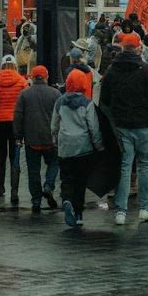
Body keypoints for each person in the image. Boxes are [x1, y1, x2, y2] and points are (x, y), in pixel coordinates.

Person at [97, 30, 148, 226]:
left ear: (122, 48)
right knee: (145, 165)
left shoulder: (111, 71)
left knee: (125, 166)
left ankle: (120, 211)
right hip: (144, 123)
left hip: (121, 125)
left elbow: (105, 100)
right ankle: (145, 208)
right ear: (138, 48)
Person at [52, 69, 103, 227]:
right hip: (83, 148)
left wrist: (55, 140)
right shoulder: (87, 103)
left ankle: (66, 200)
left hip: (65, 147)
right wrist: (99, 146)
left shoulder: (60, 102)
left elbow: (54, 125)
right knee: (80, 182)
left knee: (66, 178)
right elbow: (93, 128)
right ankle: (79, 213)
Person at [13, 65, 60, 214]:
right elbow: (60, 116)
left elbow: (18, 116)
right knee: (54, 162)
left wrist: (18, 137)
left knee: (33, 171)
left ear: (32, 78)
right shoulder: (55, 93)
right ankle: (49, 185)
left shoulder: (24, 94)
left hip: (31, 139)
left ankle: (36, 201)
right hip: (50, 138)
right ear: (46, 77)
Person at [0, 53, 27, 207]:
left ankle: (0, 186)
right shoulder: (21, 81)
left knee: (1, 155)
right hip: (15, 123)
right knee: (14, 156)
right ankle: (14, 190)